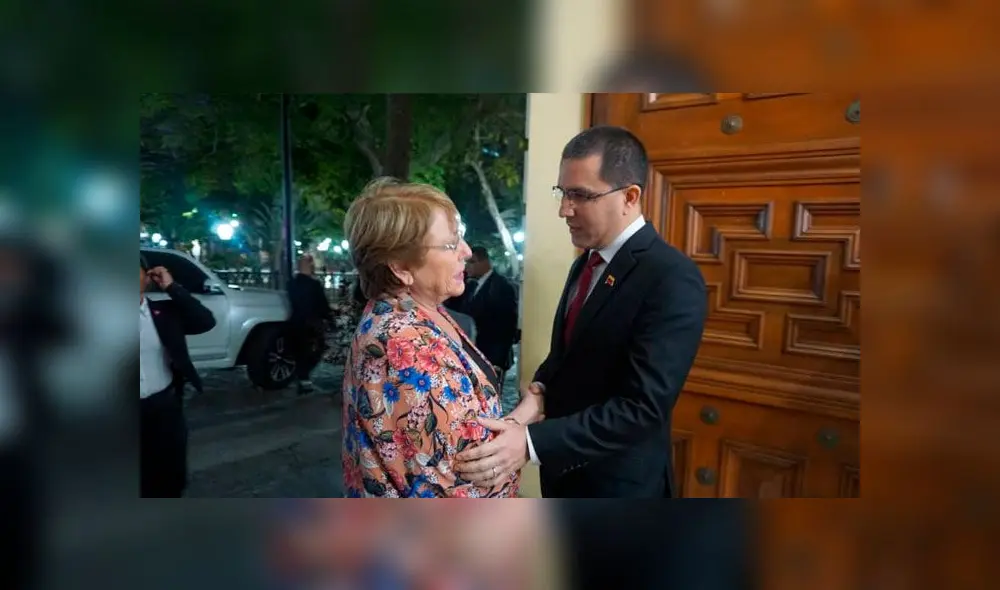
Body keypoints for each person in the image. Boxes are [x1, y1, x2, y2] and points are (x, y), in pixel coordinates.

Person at [455, 126, 707, 497]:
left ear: (630, 196)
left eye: (580, 195)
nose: (564, 209)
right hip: (564, 477)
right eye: (562, 192)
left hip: (617, 487)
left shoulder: (671, 277)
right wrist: (537, 393)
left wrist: (529, 443)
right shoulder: (587, 262)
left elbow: (642, 408)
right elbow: (568, 356)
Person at [340, 178, 543, 498]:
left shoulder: (423, 310)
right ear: (401, 268)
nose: (465, 252)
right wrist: (528, 414)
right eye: (450, 244)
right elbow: (472, 473)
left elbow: (464, 431)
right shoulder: (405, 344)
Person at [140, 254, 216, 497]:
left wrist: (172, 287)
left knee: (168, 480)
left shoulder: (164, 312)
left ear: (148, 277)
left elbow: (205, 321)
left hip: (164, 408)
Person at [461, 246, 519, 393]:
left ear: (484, 262)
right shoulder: (470, 286)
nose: (467, 267)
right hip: (474, 354)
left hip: (492, 358)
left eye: (471, 262)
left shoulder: (501, 287)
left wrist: (498, 361)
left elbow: (506, 326)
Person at [287, 254, 331, 394]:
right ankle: (303, 377)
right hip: (312, 323)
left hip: (295, 321)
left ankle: (301, 377)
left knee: (299, 351)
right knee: (317, 349)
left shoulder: (291, 283)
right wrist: (330, 318)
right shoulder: (314, 285)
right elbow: (322, 306)